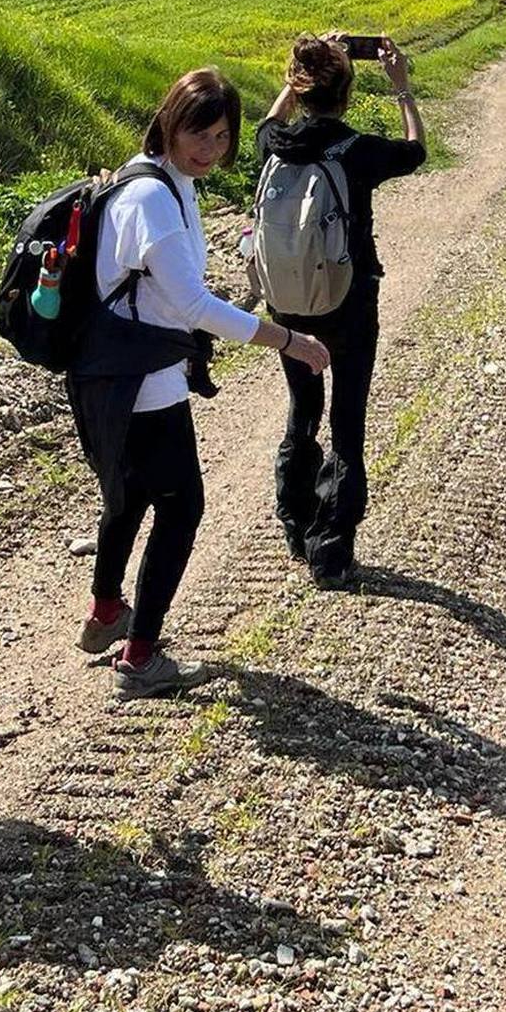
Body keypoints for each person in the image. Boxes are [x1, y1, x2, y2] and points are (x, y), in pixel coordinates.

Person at [71, 68, 329, 698]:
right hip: (142, 383)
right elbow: (194, 307)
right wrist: (290, 340)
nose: (210, 148)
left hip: (121, 375)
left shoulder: (163, 178)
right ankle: (140, 656)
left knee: (129, 498)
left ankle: (108, 612)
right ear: (169, 121)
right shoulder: (155, 197)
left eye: (221, 136)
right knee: (182, 509)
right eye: (198, 133)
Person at [255, 34, 425, 584]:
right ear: (347, 92)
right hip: (349, 301)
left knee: (303, 408)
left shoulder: (276, 142)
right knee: (347, 420)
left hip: (289, 305)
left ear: (300, 88)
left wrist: (295, 78)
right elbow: (416, 150)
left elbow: (265, 124)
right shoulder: (356, 151)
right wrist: (401, 88)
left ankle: (296, 524)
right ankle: (332, 550)